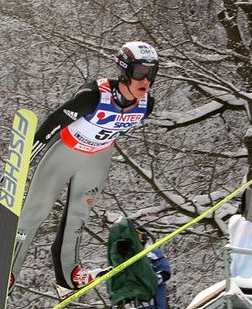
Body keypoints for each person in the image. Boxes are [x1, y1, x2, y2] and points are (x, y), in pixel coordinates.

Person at [9, 41, 159, 291]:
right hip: (68, 150)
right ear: (124, 70)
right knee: (37, 208)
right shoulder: (93, 96)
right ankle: (9, 271)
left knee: (79, 214)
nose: (146, 80)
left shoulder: (146, 106)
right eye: (140, 72)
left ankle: (68, 276)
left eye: (152, 73)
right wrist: (22, 163)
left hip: (98, 157)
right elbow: (53, 123)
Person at [136, 226, 172, 309]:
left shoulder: (152, 252)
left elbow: (165, 273)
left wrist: (151, 281)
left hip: (154, 301)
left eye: (138, 235)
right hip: (139, 304)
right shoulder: (130, 257)